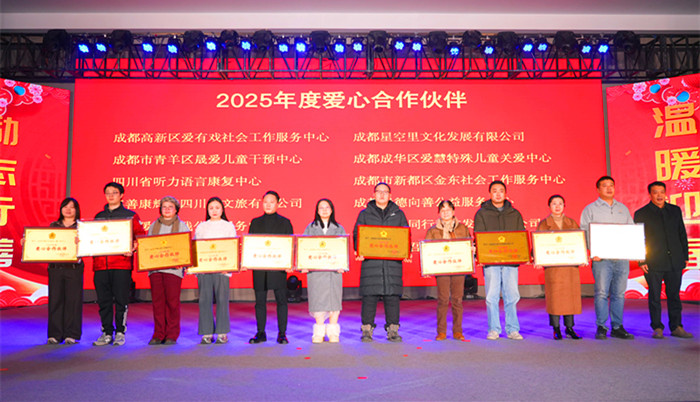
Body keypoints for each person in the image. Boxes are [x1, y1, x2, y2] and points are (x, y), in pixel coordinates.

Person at [633, 181, 693, 339]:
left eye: (662, 192)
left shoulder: (674, 210)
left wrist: (685, 256)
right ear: (650, 194)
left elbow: (681, 233)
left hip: (675, 260)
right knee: (654, 296)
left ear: (665, 193)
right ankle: (657, 327)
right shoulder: (641, 213)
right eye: (655, 192)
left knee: (674, 295)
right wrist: (641, 260)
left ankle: (677, 326)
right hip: (653, 261)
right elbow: (638, 239)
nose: (659, 195)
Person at [353, 182, 409, 343]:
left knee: (392, 297)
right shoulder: (365, 214)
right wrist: (359, 250)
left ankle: (393, 330)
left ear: (390, 195)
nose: (382, 194)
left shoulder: (398, 214)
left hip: (392, 264)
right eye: (379, 191)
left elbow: (405, 235)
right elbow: (357, 234)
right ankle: (367, 330)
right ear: (374, 194)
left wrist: (405, 252)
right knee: (369, 297)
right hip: (371, 263)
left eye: (385, 192)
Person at [580, 175, 635, 340]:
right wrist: (591, 252)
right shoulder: (590, 209)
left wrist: (633, 250)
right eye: (605, 185)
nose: (609, 188)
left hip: (622, 258)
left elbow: (631, 231)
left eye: (611, 185)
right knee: (602, 293)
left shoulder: (623, 208)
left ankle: (617, 326)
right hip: (601, 259)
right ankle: (601, 326)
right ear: (598, 189)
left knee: (619, 293)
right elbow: (583, 233)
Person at [92, 182, 146, 346]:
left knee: (121, 300)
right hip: (101, 265)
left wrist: (132, 248)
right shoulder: (99, 217)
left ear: (121, 195)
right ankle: (107, 332)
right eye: (107, 192)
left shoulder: (130, 216)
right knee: (104, 301)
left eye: (114, 192)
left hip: (121, 264)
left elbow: (140, 237)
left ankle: (120, 332)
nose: (111, 195)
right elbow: (92, 238)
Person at [474, 180, 525, 341]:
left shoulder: (515, 214)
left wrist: (523, 255)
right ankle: (494, 329)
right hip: (491, 262)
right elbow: (479, 237)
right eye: (494, 191)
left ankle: (513, 329)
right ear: (490, 194)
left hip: (511, 261)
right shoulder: (482, 214)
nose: (498, 194)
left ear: (505, 193)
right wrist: (481, 256)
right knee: (491, 296)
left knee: (512, 296)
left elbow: (520, 237)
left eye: (501, 191)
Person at [247, 190, 294, 345]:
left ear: (278, 204)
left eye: (272, 202)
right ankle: (261, 332)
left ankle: (282, 333)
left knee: (281, 301)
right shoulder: (255, 222)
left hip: (278, 268)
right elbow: (250, 245)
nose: (268, 205)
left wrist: (289, 263)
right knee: (260, 301)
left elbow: (290, 245)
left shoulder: (285, 222)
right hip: (260, 268)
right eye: (265, 202)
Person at [535, 195, 583, 340]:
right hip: (553, 268)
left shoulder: (571, 222)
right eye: (554, 203)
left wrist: (582, 257)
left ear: (564, 206)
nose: (557, 206)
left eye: (560, 203)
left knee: (570, 297)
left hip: (570, 267)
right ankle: (556, 328)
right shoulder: (544, 224)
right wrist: (538, 258)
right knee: (555, 299)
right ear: (549, 206)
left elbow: (578, 242)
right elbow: (539, 244)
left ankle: (569, 327)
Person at [300, 199, 347, 343]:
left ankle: (333, 332)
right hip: (316, 272)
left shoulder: (339, 228)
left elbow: (344, 249)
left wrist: (343, 265)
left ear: (332, 210)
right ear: (317, 210)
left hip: (334, 271)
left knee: (334, 301)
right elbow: (304, 248)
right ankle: (319, 332)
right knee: (317, 300)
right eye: (321, 208)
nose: (325, 210)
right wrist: (303, 264)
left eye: (327, 207)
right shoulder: (310, 228)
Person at [146, 196, 189, 345]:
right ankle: (158, 334)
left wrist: (182, 262)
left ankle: (171, 334)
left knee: (172, 303)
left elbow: (186, 248)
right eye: (164, 207)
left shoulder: (182, 226)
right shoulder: (153, 226)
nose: (167, 209)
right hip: (156, 270)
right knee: (158, 303)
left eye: (170, 207)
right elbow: (147, 247)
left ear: (176, 209)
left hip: (173, 271)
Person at [424, 200, 469, 341]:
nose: (445, 213)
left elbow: (468, 245)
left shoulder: (463, 228)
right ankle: (441, 331)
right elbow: (427, 250)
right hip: (442, 269)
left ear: (453, 212)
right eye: (442, 210)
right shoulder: (433, 231)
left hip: (458, 268)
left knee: (457, 300)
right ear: (439, 213)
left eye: (448, 210)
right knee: (443, 300)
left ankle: (458, 331)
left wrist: (471, 250)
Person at [194, 196, 237, 344]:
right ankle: (206, 332)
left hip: (222, 269)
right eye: (211, 208)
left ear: (222, 209)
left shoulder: (228, 226)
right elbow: (196, 248)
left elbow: (232, 247)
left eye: (217, 208)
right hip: (205, 269)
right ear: (207, 210)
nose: (214, 211)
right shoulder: (201, 227)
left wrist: (229, 267)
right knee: (204, 300)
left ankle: (222, 332)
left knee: (222, 300)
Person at [46, 198, 83, 344]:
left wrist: (81, 243)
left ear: (76, 210)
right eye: (65, 207)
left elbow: (90, 245)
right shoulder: (53, 226)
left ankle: (71, 334)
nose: (68, 210)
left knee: (73, 302)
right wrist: (28, 242)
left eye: (72, 207)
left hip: (74, 268)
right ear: (61, 209)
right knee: (55, 300)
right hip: (55, 268)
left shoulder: (82, 227)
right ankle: (55, 334)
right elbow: (44, 243)